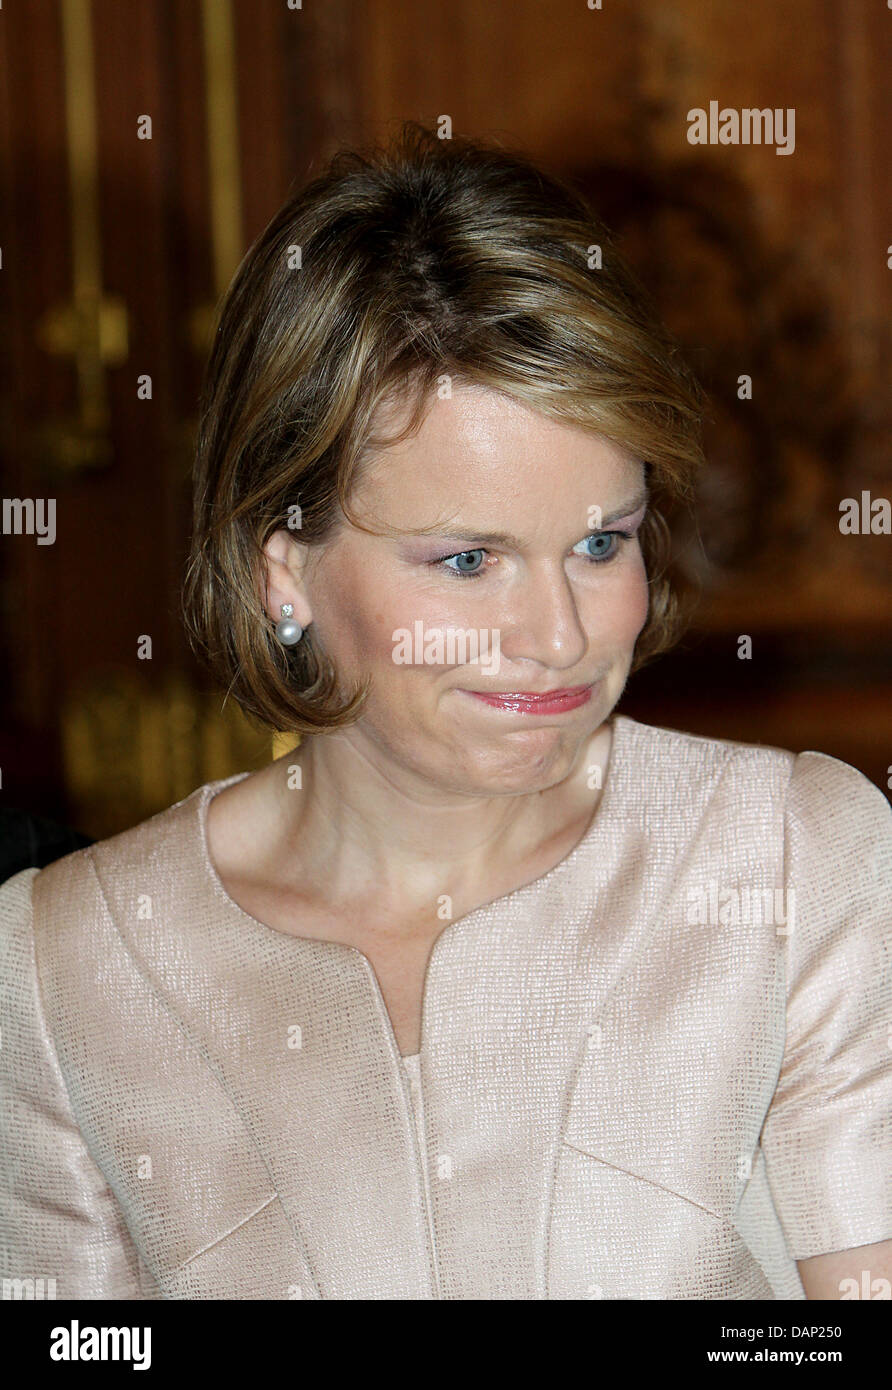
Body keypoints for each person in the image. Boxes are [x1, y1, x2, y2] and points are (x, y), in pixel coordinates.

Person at [1, 124, 889, 1301]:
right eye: (468, 560)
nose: (560, 635)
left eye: (598, 541)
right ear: (283, 562)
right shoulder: (61, 968)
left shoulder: (795, 861)